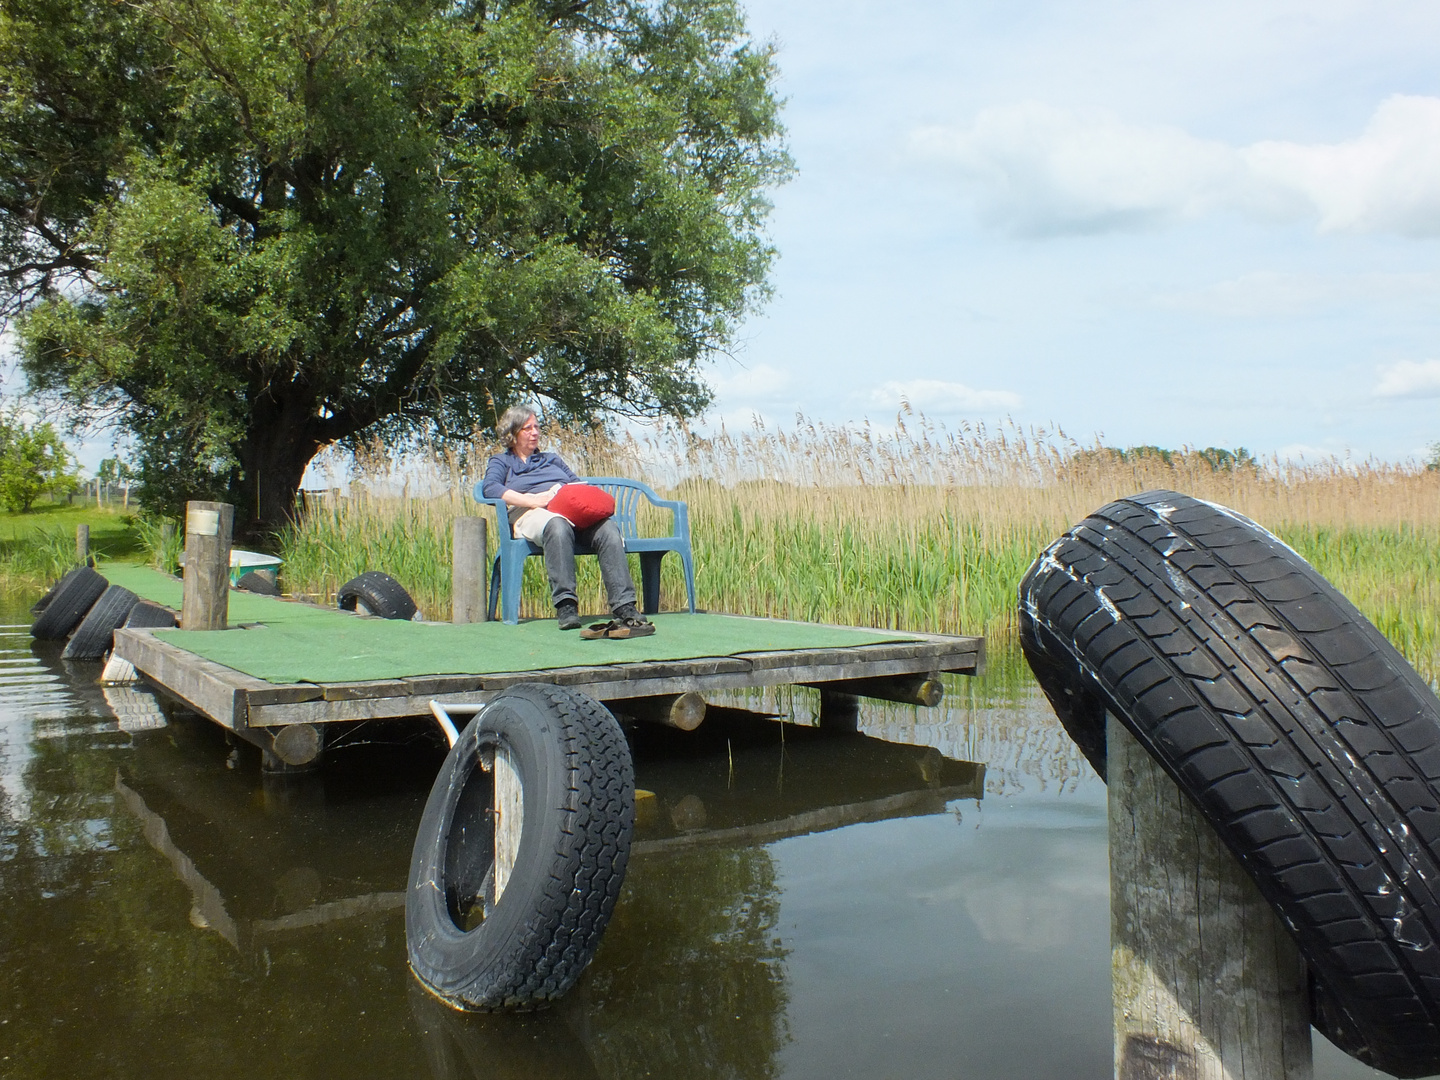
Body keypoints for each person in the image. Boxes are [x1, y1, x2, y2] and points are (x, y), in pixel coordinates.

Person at [481, 405, 654, 637]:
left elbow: (577, 485)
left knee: (608, 529)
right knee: (557, 525)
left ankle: (624, 606)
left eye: (536, 427)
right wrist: (532, 500)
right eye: (527, 428)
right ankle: (566, 605)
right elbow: (490, 488)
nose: (535, 432)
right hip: (529, 515)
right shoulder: (502, 462)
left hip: (567, 512)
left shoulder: (552, 460)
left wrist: (567, 496)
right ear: (513, 434)